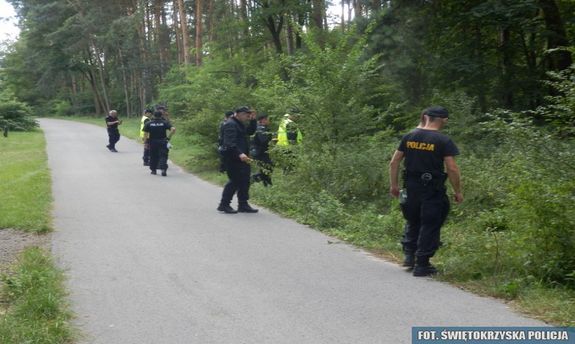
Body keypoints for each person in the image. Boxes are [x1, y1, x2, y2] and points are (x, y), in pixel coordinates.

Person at [388, 106, 463, 277]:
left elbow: (394, 162)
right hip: (432, 188)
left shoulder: (409, 136)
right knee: (430, 222)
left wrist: (394, 185)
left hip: (410, 186)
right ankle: (422, 264)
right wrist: (457, 190)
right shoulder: (443, 140)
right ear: (444, 120)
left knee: (413, 219)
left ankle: (409, 255)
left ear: (425, 117)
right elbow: (451, 168)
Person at [217, 106, 258, 214]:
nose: (247, 116)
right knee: (234, 181)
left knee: (245, 181)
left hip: (243, 157)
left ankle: (243, 204)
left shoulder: (239, 123)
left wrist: (253, 120)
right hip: (233, 157)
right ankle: (224, 204)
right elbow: (229, 143)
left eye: (248, 114)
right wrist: (240, 154)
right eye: (245, 114)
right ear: (237, 113)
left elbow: (250, 132)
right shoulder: (231, 124)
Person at [142, 110, 176, 176]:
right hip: (163, 141)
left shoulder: (149, 123)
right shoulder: (164, 123)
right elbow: (173, 129)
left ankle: (153, 170)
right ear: (161, 115)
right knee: (163, 156)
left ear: (153, 115)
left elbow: (145, 134)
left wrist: (145, 142)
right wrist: (168, 137)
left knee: (153, 156)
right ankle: (163, 169)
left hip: (153, 142)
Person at [250, 112, 274, 186]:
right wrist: (273, 141)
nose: (269, 121)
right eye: (268, 119)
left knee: (267, 170)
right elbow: (263, 141)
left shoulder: (261, 128)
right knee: (267, 169)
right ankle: (249, 180)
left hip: (262, 152)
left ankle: (267, 185)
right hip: (260, 153)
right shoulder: (260, 129)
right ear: (263, 120)